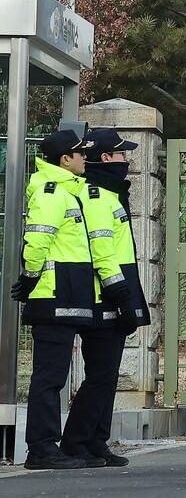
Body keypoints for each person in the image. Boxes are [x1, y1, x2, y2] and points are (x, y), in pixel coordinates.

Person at [10, 128, 130, 470]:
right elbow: (37, 242)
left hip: (71, 293)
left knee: (60, 375)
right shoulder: (52, 192)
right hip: (51, 293)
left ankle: (67, 444)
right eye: (80, 154)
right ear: (66, 159)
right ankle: (41, 448)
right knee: (50, 377)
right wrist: (30, 278)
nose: (84, 158)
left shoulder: (72, 191)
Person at [59, 128, 148, 467]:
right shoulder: (96, 195)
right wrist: (121, 296)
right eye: (122, 154)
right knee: (100, 374)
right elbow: (102, 251)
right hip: (103, 297)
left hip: (111, 294)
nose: (127, 160)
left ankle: (96, 441)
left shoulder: (110, 193)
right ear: (107, 158)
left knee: (107, 374)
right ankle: (76, 443)